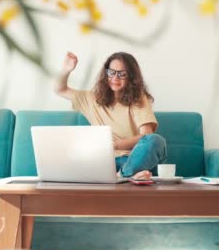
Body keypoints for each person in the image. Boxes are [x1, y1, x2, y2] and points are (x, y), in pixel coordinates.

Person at [55, 51, 167, 180]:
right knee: (75, 156)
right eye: (111, 72)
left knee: (156, 140)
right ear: (106, 73)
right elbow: (60, 89)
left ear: (131, 77)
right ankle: (132, 177)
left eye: (122, 74)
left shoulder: (138, 99)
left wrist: (115, 145)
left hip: (135, 160)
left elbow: (146, 135)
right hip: (105, 163)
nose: (115, 78)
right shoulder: (91, 99)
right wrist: (66, 70)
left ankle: (122, 176)